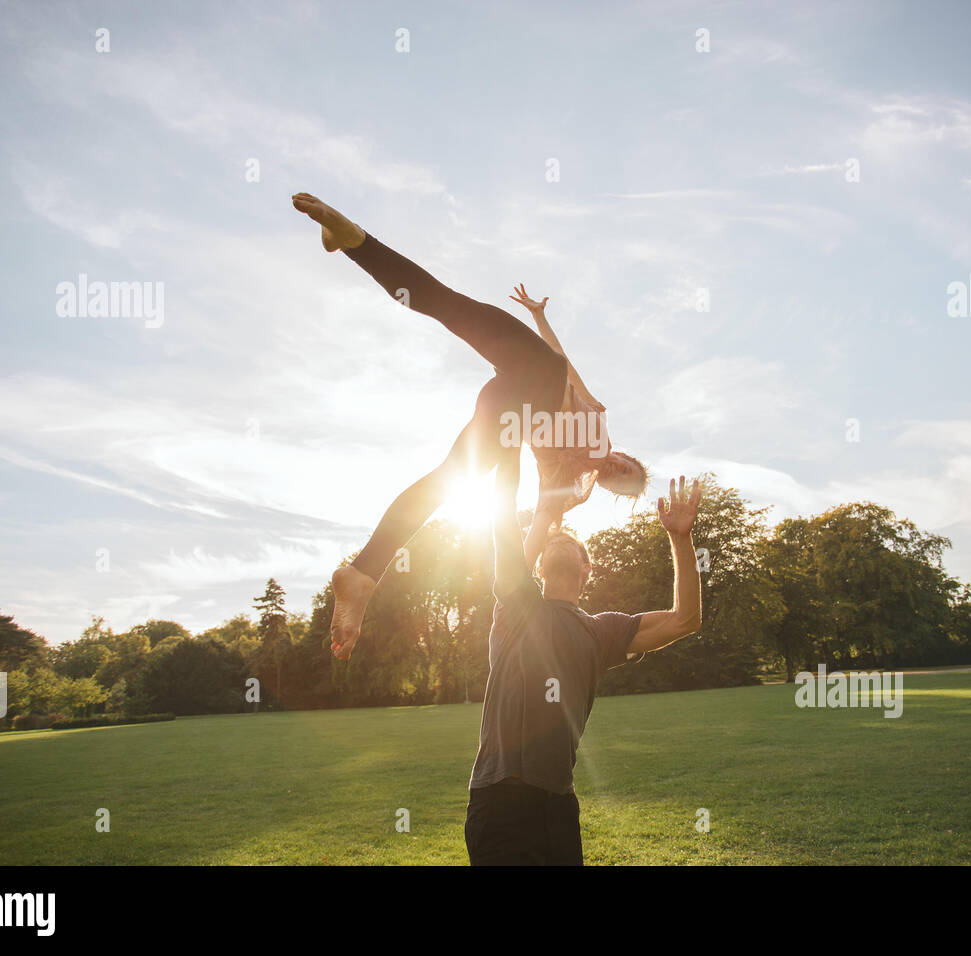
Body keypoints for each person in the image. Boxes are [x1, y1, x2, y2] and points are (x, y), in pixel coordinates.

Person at [290, 193, 649, 659]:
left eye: (622, 482)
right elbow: (567, 364)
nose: (617, 469)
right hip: (534, 366)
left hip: (510, 411)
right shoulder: (597, 417)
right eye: (629, 466)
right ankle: (355, 240)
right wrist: (540, 316)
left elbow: (539, 519)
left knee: (456, 480)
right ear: (626, 454)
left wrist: (519, 574)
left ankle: (363, 574)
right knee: (447, 305)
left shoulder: (570, 486)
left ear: (612, 490)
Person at [465, 448, 703, 865]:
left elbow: (685, 619)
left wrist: (680, 538)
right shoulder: (516, 608)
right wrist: (544, 500)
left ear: (587, 568)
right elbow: (518, 537)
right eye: (550, 544)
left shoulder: (600, 631)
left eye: (570, 544)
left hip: (557, 805)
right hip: (497, 799)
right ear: (538, 568)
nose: (557, 544)